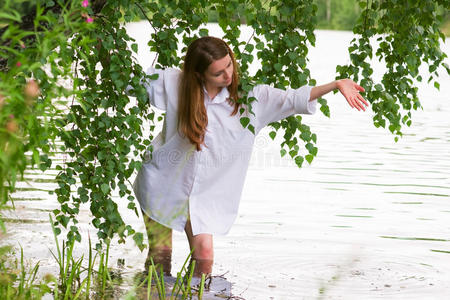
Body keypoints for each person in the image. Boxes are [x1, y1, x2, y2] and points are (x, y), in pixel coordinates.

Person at [131, 36, 368, 278]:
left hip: (204, 197)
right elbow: (125, 80)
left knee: (204, 256)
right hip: (162, 184)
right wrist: (93, 27)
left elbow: (293, 98)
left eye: (229, 65)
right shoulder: (173, 83)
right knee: (160, 256)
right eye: (218, 73)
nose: (228, 76)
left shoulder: (250, 100)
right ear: (199, 75)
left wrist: (336, 84)